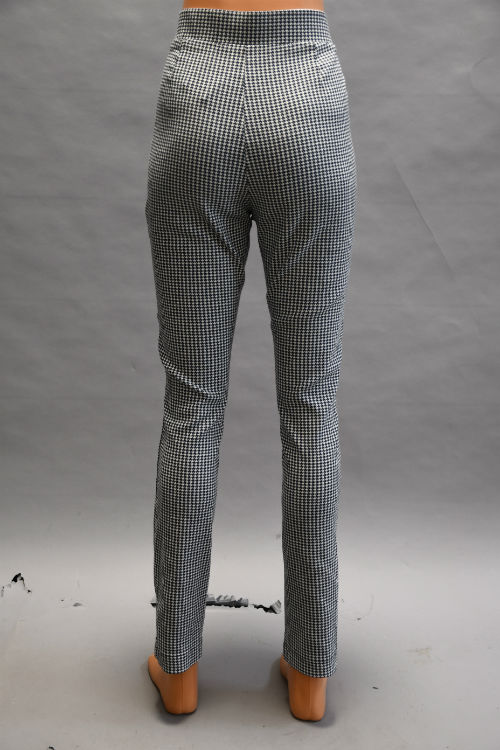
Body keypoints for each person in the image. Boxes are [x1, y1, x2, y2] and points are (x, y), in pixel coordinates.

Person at [144, 0, 357, 721]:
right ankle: (310, 673)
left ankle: (178, 665)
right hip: (306, 93)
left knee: (191, 406)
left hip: (198, 91)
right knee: (311, 406)